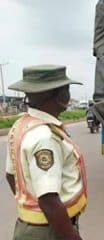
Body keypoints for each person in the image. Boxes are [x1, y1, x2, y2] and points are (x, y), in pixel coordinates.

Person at [6, 65, 87, 240]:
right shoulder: (44, 136)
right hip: (49, 231)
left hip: (31, 227)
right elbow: (48, 199)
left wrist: (29, 206)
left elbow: (11, 175)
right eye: (66, 90)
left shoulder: (20, 125)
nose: (68, 95)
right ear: (59, 95)